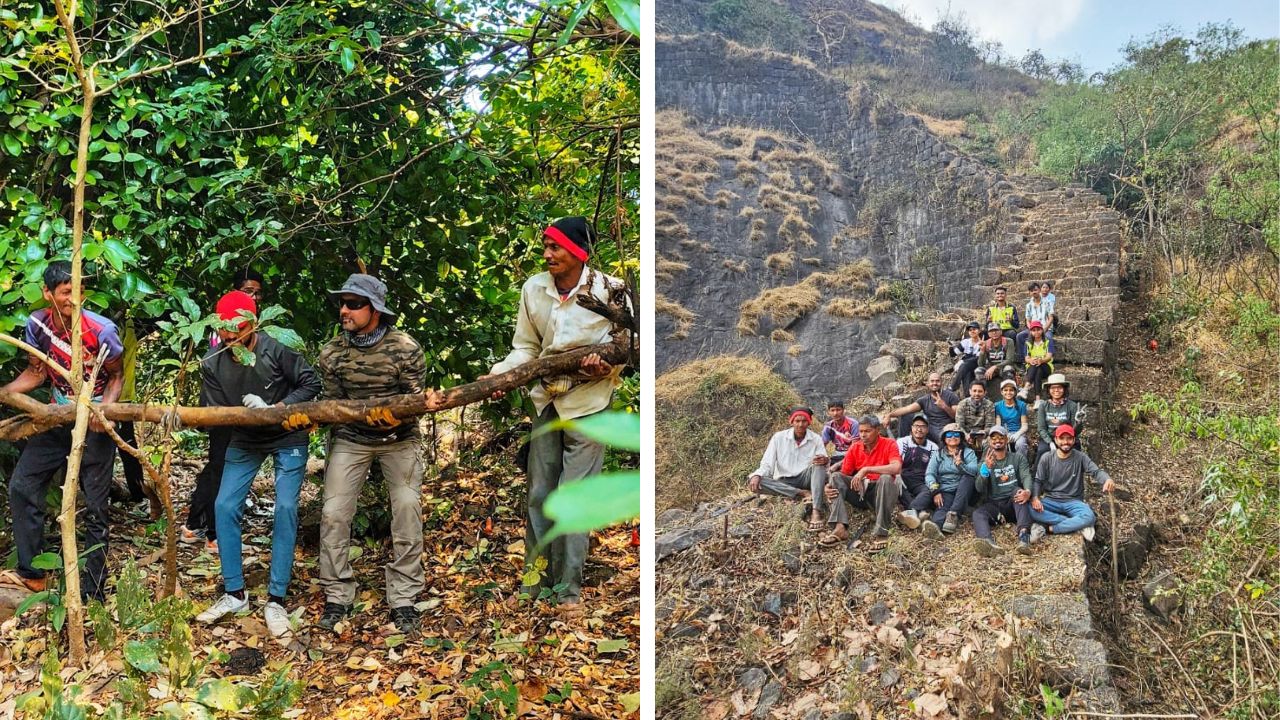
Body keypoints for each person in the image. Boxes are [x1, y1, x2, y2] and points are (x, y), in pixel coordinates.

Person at [484, 216, 625, 610]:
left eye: (555, 247)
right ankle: (534, 584)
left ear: (578, 252)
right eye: (546, 246)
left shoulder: (612, 291)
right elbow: (525, 348)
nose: (547, 254)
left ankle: (568, 590)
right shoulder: (534, 289)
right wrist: (501, 375)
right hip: (546, 400)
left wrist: (605, 367)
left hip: (589, 405)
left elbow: (624, 349)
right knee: (540, 495)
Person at [195, 291, 321, 638]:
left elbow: (311, 383)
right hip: (245, 438)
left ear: (253, 323)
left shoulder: (277, 347)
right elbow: (215, 411)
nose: (231, 335)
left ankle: (276, 599)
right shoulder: (212, 361)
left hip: (288, 435)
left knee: (285, 507)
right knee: (224, 505)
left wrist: (276, 408)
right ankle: (235, 592)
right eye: (224, 328)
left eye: (238, 327)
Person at [0, 262, 123, 601]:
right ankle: (32, 573)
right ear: (47, 293)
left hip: (94, 420)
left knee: (95, 507)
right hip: (56, 416)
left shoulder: (102, 330)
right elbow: (37, 372)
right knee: (22, 485)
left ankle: (93, 591)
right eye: (67, 292)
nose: (74, 298)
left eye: (78, 291)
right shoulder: (38, 324)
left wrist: (104, 411)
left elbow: (116, 376)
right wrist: (6, 392)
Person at [315, 275, 429, 635]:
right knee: (333, 513)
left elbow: (416, 402)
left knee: (407, 507)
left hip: (400, 438)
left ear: (375, 310)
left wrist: (394, 415)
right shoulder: (332, 353)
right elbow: (333, 404)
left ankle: (404, 597)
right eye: (342, 303)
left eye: (354, 304)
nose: (344, 310)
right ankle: (337, 595)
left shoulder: (405, 349)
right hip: (351, 438)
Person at [182, 268, 267, 553]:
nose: (253, 296)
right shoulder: (224, 328)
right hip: (223, 409)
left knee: (217, 467)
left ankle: (195, 525)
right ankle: (213, 533)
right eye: (248, 291)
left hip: (244, 409)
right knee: (221, 466)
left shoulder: (257, 329)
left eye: (257, 292)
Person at [821, 415, 902, 542]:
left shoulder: (889, 444)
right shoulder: (855, 447)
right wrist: (829, 485)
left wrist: (866, 469)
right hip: (860, 493)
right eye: (861, 431)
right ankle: (840, 527)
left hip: (881, 493)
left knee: (886, 478)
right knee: (836, 477)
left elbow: (896, 467)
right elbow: (844, 474)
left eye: (867, 431)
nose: (863, 435)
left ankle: (882, 531)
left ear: (877, 430)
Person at [749, 408, 830, 533]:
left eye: (804, 421)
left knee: (818, 466)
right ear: (791, 422)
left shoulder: (815, 438)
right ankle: (800, 493)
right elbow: (767, 463)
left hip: (806, 478)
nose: (800, 424)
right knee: (754, 480)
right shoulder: (778, 437)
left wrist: (824, 460)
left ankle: (816, 511)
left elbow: (823, 461)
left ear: (809, 422)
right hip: (784, 481)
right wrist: (757, 475)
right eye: (797, 421)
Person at [1030, 425, 1114, 543]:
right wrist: (1035, 498)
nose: (1065, 442)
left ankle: (1051, 528)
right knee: (1029, 508)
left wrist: (1107, 479)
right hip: (1051, 500)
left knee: (1089, 516)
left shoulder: (1080, 457)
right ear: (1056, 440)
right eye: (1062, 438)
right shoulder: (1046, 458)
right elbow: (1038, 480)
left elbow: (1096, 472)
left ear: (1074, 440)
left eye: (1069, 438)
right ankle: (1072, 522)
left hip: (1074, 502)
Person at [971, 426, 1033, 556]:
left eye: (1001, 437)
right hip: (995, 505)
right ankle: (988, 543)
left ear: (1006, 439)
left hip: (1014, 503)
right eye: (993, 438)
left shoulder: (1017, 458)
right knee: (977, 514)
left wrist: (1027, 491)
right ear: (989, 441)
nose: (997, 440)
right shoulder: (984, 463)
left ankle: (1024, 537)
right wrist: (986, 469)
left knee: (1018, 491)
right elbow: (979, 488)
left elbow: (1026, 476)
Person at [920, 423, 978, 539]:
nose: (953, 437)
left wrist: (961, 465)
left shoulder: (968, 452)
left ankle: (953, 514)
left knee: (968, 477)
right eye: (949, 435)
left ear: (961, 437)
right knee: (942, 508)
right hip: (946, 490)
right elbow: (930, 474)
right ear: (944, 438)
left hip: (964, 490)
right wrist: (935, 491)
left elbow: (974, 471)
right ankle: (935, 529)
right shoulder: (938, 454)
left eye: (956, 434)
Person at [883, 372, 958, 444]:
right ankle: (901, 443)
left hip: (945, 429)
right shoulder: (924, 400)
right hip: (929, 429)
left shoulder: (951, 396)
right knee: (906, 416)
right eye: (932, 381)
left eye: (937, 381)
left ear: (941, 383)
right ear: (928, 384)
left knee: (945, 438)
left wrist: (944, 406)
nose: (934, 383)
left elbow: (956, 417)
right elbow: (907, 409)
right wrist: (889, 415)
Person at [895, 414, 938, 530]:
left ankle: (912, 512)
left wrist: (933, 486)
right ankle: (920, 512)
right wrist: (897, 476)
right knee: (898, 488)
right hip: (903, 477)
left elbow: (933, 470)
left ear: (927, 429)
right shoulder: (903, 442)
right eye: (916, 426)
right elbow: (896, 461)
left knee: (929, 491)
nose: (919, 429)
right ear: (911, 428)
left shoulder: (933, 447)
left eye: (923, 426)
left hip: (921, 480)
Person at [1035, 374, 1085, 459]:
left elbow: (1076, 431)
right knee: (1042, 451)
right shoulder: (1043, 406)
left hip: (1067, 437)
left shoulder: (1072, 406)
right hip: (1050, 437)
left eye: (1059, 387)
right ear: (1049, 390)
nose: (1056, 390)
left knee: (1075, 453)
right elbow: (1041, 428)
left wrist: (1078, 422)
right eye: (1053, 388)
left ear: (1064, 389)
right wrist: (1050, 442)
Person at [954, 380, 995, 450]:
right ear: (970, 391)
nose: (977, 394)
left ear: (985, 392)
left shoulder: (989, 405)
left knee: (989, 443)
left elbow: (990, 425)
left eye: (980, 391)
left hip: (982, 435)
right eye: (974, 391)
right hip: (966, 434)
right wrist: (966, 435)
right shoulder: (962, 404)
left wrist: (984, 432)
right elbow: (959, 425)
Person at [992, 379, 1030, 455]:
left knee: (1020, 444)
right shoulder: (997, 405)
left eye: (1011, 390)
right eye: (1005, 390)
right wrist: (1004, 435)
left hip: (1018, 432)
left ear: (1015, 392)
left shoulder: (1021, 405)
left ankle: (1021, 462)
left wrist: (1017, 434)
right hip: (1003, 432)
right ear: (1001, 392)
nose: (1008, 392)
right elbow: (998, 425)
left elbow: (1024, 425)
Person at [1020, 321, 1055, 404]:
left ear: (1042, 330)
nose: (1036, 332)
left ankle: (1026, 388)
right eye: (1033, 330)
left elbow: (1049, 356)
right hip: (1033, 367)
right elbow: (1026, 358)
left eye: (1038, 329)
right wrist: (1031, 360)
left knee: (1038, 365)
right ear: (1030, 332)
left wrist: (1041, 360)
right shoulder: (1028, 343)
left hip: (1046, 366)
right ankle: (1038, 399)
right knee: (1038, 370)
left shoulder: (1048, 341)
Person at [1017, 282, 1054, 357]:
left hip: (1045, 328)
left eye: (1035, 290)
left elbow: (1051, 318)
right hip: (1033, 329)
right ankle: (1024, 359)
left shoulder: (1048, 302)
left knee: (1048, 338)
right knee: (1019, 336)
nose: (1034, 292)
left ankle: (1047, 358)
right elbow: (1028, 320)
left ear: (1039, 290)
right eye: (1031, 291)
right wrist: (1031, 329)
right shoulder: (1029, 305)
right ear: (1029, 293)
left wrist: (1044, 329)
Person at [977, 323, 1017, 388]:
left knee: (1008, 368)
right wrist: (982, 351)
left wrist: (995, 367)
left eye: (996, 330)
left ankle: (1008, 391)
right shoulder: (986, 343)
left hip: (1003, 368)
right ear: (988, 334)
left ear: (1001, 331)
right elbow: (981, 364)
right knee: (979, 370)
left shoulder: (1009, 341)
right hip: (991, 370)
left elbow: (1010, 360)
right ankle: (982, 392)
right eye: (991, 331)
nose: (994, 333)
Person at [949, 322, 984, 393]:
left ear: (979, 331)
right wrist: (951, 347)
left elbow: (977, 358)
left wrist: (963, 361)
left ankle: (953, 386)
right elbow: (954, 353)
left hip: (977, 363)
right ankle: (968, 394)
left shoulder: (982, 342)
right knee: (967, 373)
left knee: (964, 366)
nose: (972, 331)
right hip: (967, 365)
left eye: (974, 329)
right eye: (970, 330)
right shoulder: (965, 342)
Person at [821, 400, 858, 466]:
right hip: (837, 454)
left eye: (838, 410)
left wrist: (842, 462)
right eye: (832, 410)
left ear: (843, 410)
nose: (835, 413)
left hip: (852, 454)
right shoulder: (828, 426)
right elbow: (822, 445)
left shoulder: (853, 424)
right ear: (828, 412)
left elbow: (855, 446)